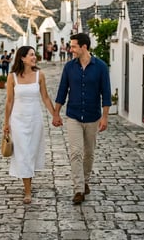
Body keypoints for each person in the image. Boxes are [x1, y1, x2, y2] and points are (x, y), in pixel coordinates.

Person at [52, 33, 111, 205]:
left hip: (93, 116)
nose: (71, 50)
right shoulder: (69, 67)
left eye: (74, 47)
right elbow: (62, 91)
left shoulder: (100, 67)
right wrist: (56, 113)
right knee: (76, 152)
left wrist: (105, 117)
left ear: (84, 47)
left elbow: (106, 94)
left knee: (89, 153)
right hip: (74, 116)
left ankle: (85, 180)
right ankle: (78, 189)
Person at [3, 46, 56, 204]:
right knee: (24, 152)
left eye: (34, 55)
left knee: (31, 152)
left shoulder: (40, 75)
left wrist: (55, 115)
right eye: (31, 55)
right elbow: (9, 101)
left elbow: (45, 97)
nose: (34, 57)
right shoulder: (12, 77)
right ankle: (27, 191)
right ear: (22, 58)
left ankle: (28, 183)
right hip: (18, 120)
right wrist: (6, 123)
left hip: (35, 119)